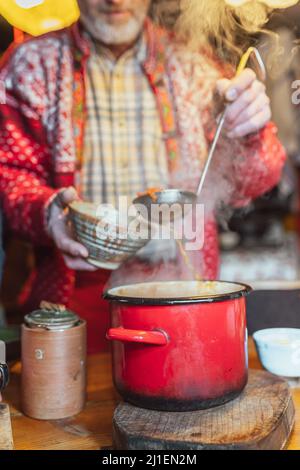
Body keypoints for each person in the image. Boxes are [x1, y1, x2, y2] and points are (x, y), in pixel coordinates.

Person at [0, 0, 286, 353]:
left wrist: (249, 133)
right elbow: (12, 177)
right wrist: (49, 213)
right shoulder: (31, 64)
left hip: (180, 287)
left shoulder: (194, 64)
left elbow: (256, 180)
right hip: (72, 298)